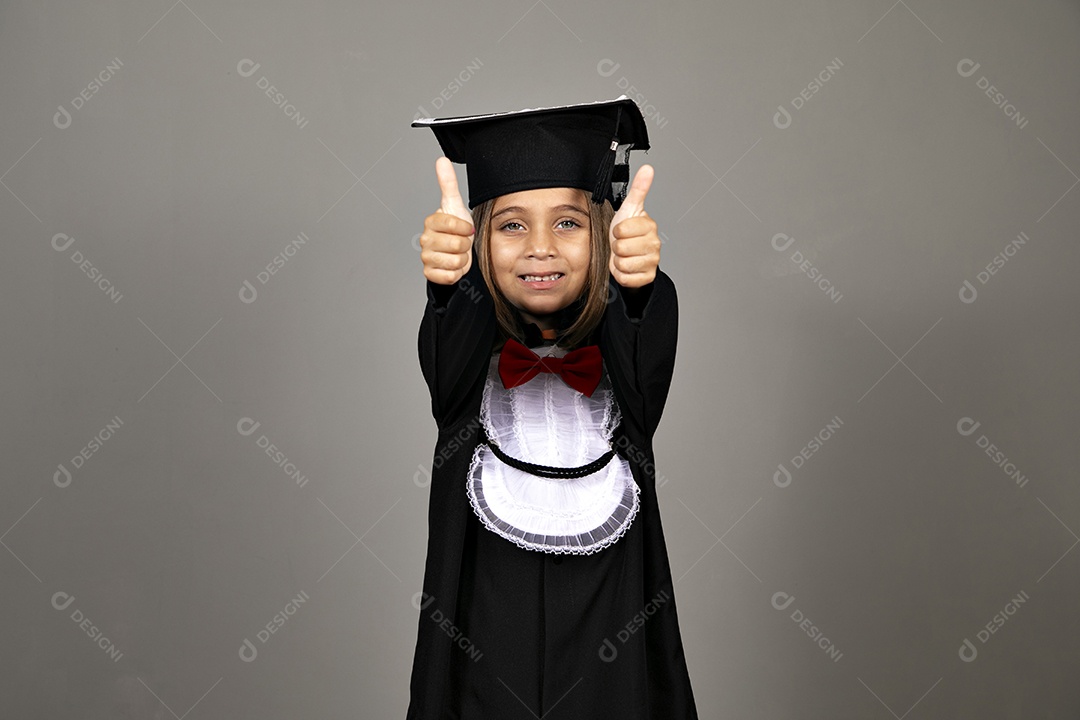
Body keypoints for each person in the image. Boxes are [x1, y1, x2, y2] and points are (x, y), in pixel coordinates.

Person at [407, 96, 698, 719]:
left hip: (611, 648)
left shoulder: (627, 365)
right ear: (480, 238)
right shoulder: (464, 374)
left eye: (568, 223)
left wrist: (638, 287)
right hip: (482, 650)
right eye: (511, 226)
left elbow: (644, 347)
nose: (540, 247)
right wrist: (449, 283)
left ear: (601, 232)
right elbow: (449, 341)